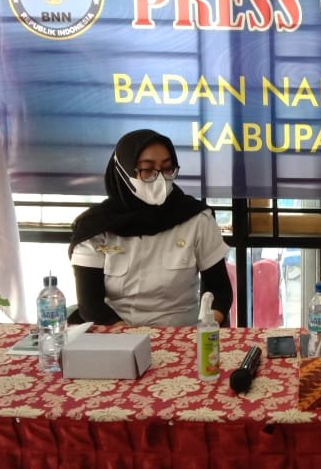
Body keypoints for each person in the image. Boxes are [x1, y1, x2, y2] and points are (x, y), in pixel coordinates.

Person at [69, 129, 233, 327]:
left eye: (167, 168)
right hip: (117, 332)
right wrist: (132, 338)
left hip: (183, 331)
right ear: (123, 171)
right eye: (147, 170)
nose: (160, 178)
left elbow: (219, 291)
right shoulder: (95, 227)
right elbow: (91, 305)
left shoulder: (197, 218)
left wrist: (206, 327)